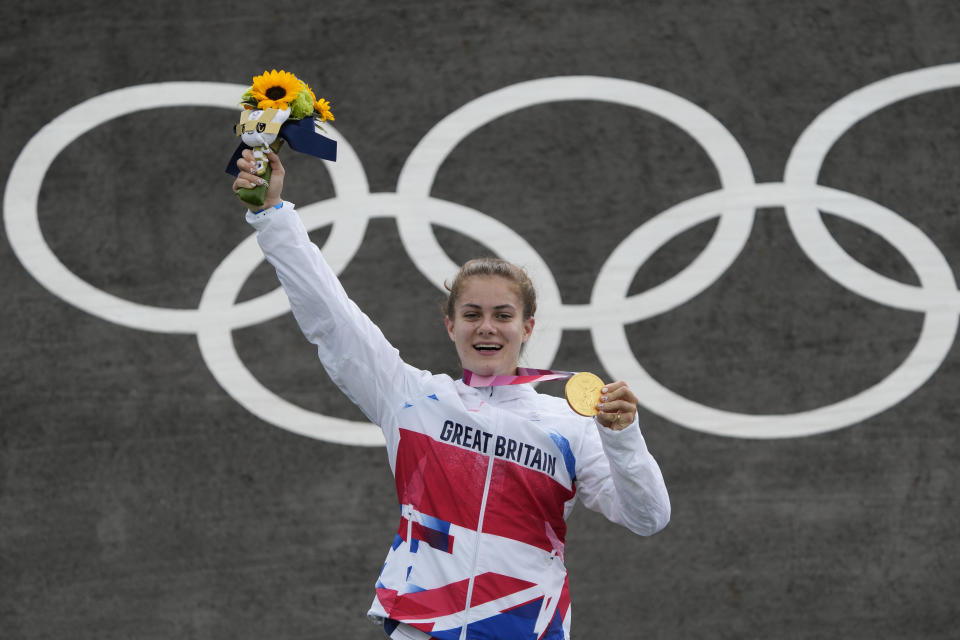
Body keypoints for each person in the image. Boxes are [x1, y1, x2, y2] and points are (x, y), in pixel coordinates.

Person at [232, 150, 670, 640]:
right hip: (422, 626)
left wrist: (623, 437)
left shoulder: (568, 424)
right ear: (450, 325)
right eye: (472, 314)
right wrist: (272, 215)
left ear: (527, 327)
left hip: (525, 629)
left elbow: (649, 518)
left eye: (503, 315)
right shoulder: (411, 397)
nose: (487, 327)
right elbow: (330, 316)